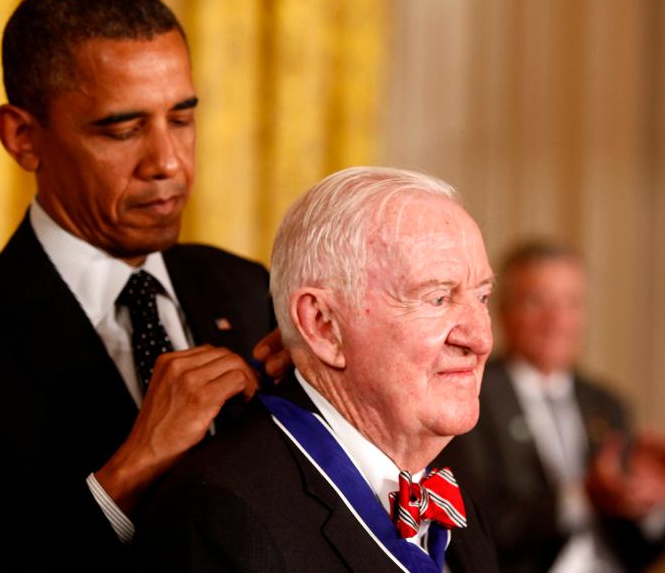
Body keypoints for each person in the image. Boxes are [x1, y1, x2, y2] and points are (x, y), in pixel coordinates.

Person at [0, 0, 279, 569]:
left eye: (182, 118)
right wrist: (132, 469)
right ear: (22, 137)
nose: (168, 162)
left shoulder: (251, 289)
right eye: (123, 129)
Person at [134, 167, 499, 572]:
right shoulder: (224, 518)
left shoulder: (455, 498)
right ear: (323, 326)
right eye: (437, 299)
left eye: (482, 296)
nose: (481, 339)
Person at [438, 241, 665, 573]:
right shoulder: (471, 397)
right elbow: (470, 529)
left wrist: (647, 501)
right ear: (501, 312)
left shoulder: (607, 404)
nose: (557, 320)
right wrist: (583, 497)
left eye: (571, 303)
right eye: (537, 302)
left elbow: (639, 552)